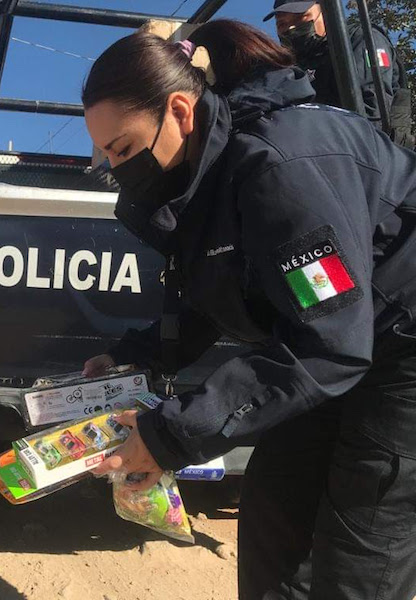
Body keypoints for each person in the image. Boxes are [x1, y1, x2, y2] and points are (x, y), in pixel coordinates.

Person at [80, 19, 416, 600]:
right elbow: (219, 297)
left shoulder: (281, 169)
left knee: (360, 554)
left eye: (124, 148)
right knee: (273, 514)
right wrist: (129, 356)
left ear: (181, 112)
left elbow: (331, 341)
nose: (115, 168)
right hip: (339, 343)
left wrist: (171, 436)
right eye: (106, 154)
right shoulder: (205, 179)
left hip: (401, 350)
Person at [265, 0, 414, 147]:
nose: (291, 28)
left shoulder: (359, 40)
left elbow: (372, 115)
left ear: (325, 11)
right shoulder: (289, 69)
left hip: (376, 156)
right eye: (282, 24)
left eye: (300, 17)